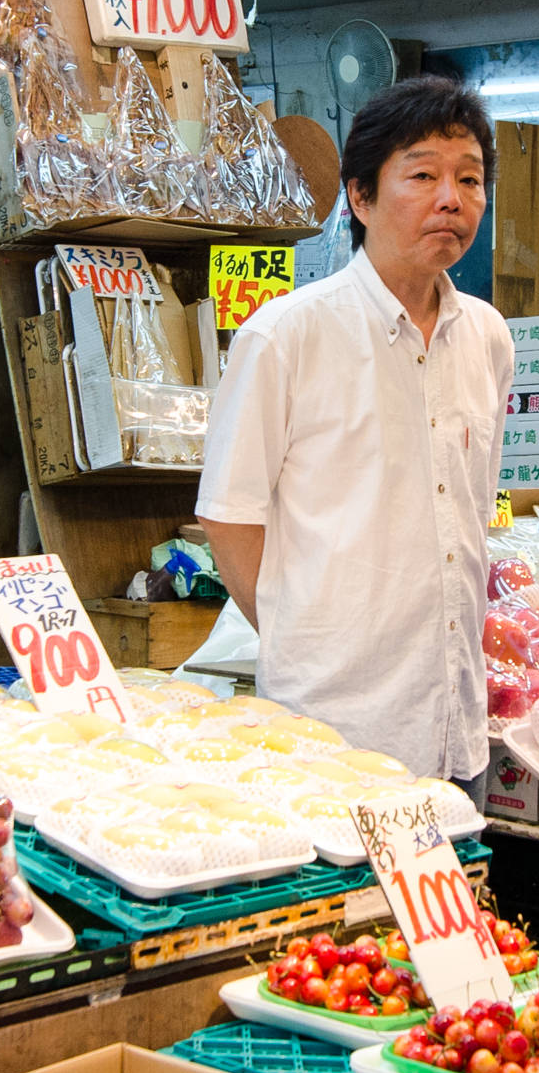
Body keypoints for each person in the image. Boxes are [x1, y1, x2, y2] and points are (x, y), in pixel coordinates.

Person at [195, 76, 513, 780]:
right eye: (423, 174)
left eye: (470, 178)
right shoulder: (285, 336)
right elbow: (230, 519)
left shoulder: (488, 337)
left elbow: (472, 509)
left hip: (457, 725)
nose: (451, 200)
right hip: (331, 734)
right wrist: (300, 633)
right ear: (360, 197)